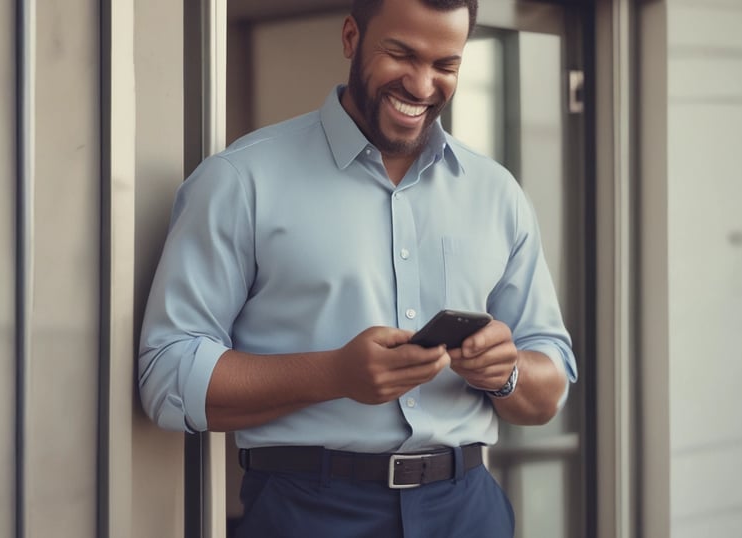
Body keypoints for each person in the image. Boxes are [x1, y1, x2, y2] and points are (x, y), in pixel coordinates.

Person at [138, 0, 577, 536]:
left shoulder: (497, 193)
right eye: (401, 55)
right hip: (308, 511)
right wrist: (335, 375)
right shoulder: (239, 181)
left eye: (446, 65)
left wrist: (506, 373)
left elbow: (550, 385)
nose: (421, 85)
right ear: (351, 38)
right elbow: (167, 376)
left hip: (468, 510)